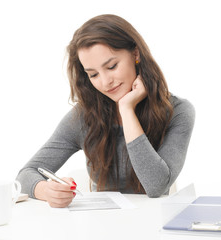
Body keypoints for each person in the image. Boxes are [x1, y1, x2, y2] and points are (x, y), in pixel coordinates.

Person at [16, 14, 195, 208]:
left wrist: (127, 110)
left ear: (135, 54)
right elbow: (27, 174)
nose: (105, 82)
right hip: (100, 227)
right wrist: (47, 190)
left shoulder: (178, 111)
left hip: (153, 228)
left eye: (111, 66)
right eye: (93, 74)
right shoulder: (84, 116)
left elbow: (155, 186)